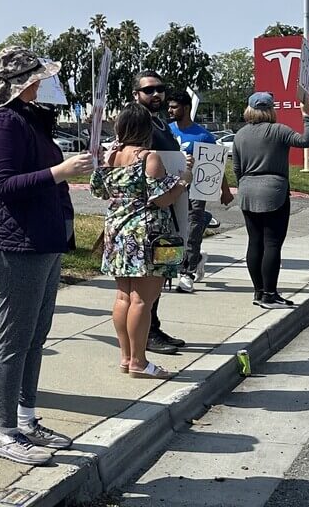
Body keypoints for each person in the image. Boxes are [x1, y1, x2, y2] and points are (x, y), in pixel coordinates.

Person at [0, 46, 93, 467]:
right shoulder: (2, 122)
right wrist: (61, 171)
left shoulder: (27, 117)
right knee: (15, 339)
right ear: (22, 81)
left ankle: (26, 420)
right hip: (13, 244)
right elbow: (5, 185)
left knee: (35, 335)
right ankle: (4, 430)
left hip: (40, 240)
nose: (44, 83)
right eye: (39, 76)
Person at [92, 104, 191, 380]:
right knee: (142, 301)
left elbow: (99, 190)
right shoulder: (149, 158)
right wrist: (183, 180)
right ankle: (139, 361)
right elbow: (162, 199)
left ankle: (126, 357)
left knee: (123, 297)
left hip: (117, 232)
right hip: (146, 235)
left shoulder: (111, 156)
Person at [232, 92, 309, 309]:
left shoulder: (240, 134)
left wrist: (244, 186)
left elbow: (237, 168)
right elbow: (307, 140)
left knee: (254, 241)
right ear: (270, 110)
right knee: (272, 243)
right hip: (274, 191)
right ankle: (270, 295)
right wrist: (307, 115)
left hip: (247, 190)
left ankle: (259, 291)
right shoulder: (279, 130)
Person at [130, 72, 187, 357]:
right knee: (149, 276)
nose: (156, 94)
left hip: (168, 207)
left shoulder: (162, 122)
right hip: (149, 211)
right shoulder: (138, 123)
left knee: (162, 270)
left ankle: (154, 326)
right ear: (136, 95)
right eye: (149, 89)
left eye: (160, 89)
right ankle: (146, 334)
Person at [166, 89, 234, 292]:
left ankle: (187, 272)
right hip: (170, 187)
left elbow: (216, 165)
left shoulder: (204, 136)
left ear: (186, 108)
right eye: (169, 107)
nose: (170, 110)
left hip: (196, 188)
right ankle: (178, 265)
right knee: (171, 229)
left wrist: (225, 190)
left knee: (192, 229)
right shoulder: (166, 131)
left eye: (174, 107)